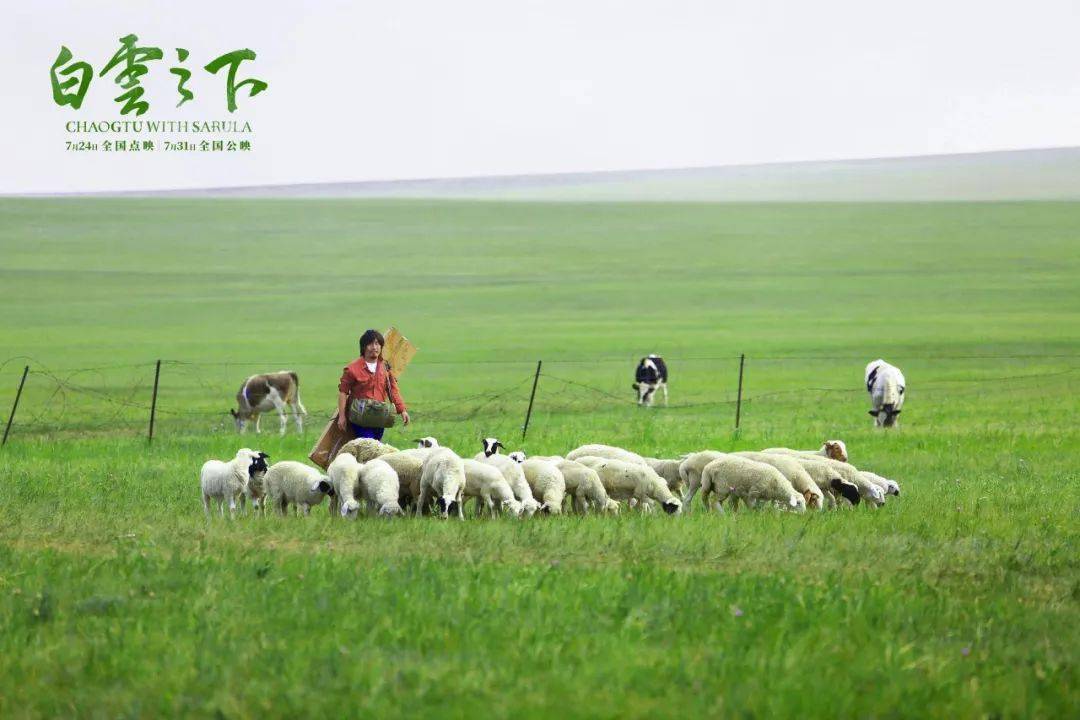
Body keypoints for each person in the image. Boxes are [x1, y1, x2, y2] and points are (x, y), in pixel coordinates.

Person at [337, 329, 410, 440]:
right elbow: (343, 393)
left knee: (375, 447)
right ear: (364, 347)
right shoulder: (352, 369)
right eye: (370, 344)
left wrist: (402, 410)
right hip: (360, 417)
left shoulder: (385, 368)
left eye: (377, 344)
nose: (374, 347)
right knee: (369, 445)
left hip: (379, 416)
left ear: (381, 347)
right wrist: (342, 417)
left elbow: (393, 390)